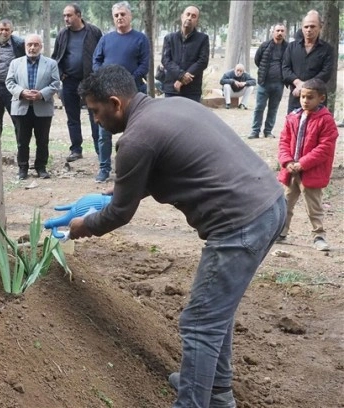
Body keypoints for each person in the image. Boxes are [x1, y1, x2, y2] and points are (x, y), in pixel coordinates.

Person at [71, 65, 285, 408]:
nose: (95, 120)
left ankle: (193, 401)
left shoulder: (136, 139)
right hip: (269, 203)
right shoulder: (171, 105)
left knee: (200, 322)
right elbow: (169, 167)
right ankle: (216, 391)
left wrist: (84, 226)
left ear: (115, 103)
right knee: (217, 312)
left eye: (95, 112)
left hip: (239, 223)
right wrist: (120, 191)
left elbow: (119, 215)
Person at [276, 78, 338, 251]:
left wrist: (302, 163)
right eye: (303, 97)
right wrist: (287, 161)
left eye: (310, 97)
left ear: (321, 98)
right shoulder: (293, 117)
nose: (305, 101)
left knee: (314, 207)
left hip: (311, 172)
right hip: (291, 171)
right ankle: (281, 232)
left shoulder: (326, 121)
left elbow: (325, 148)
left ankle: (318, 235)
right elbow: (284, 141)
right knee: (285, 204)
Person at [91, 0, 149, 183]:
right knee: (104, 134)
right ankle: (104, 169)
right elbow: (96, 61)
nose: (119, 18)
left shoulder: (141, 39)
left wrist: (125, 82)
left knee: (134, 133)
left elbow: (144, 65)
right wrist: (105, 80)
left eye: (123, 14)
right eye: (116, 15)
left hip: (132, 92)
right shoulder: (105, 39)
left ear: (130, 16)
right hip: (107, 94)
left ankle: (130, 170)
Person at [51, 3, 102, 163]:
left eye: (69, 15)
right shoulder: (62, 34)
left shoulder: (94, 32)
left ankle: (99, 150)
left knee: (95, 116)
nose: (66, 18)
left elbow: (102, 53)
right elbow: (56, 57)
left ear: (78, 15)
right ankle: (76, 149)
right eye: (64, 16)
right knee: (72, 117)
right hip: (69, 82)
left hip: (90, 82)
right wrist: (61, 75)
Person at [6, 33, 61, 180]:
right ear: (25, 46)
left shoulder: (51, 64)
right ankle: (22, 168)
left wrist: (41, 94)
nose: (32, 48)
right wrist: (22, 92)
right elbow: (9, 82)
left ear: (41, 47)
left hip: (42, 107)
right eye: (29, 45)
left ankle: (41, 167)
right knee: (22, 141)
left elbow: (56, 83)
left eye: (35, 45)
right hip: (21, 107)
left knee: (42, 141)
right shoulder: (15, 63)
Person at [282, 10, 334, 114]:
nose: (309, 30)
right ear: (302, 28)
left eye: (312, 26)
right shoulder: (292, 47)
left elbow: (326, 72)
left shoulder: (327, 49)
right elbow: (285, 68)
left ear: (320, 27)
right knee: (293, 128)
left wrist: (304, 86)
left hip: (317, 99)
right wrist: (298, 84)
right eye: (306, 27)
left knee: (315, 129)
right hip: (296, 96)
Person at [161, 5, 209, 102]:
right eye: (188, 14)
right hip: (171, 89)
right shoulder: (169, 38)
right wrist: (181, 76)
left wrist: (181, 81)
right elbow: (166, 60)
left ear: (197, 21)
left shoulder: (203, 39)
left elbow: (202, 61)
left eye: (193, 16)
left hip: (192, 91)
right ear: (182, 16)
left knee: (191, 117)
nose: (189, 18)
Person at [248, 23, 287, 139]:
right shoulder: (264, 46)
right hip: (264, 83)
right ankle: (255, 131)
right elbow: (257, 60)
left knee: (273, 108)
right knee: (259, 107)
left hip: (279, 84)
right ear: (273, 32)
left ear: (285, 33)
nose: (279, 33)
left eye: (282, 31)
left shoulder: (288, 48)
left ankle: (268, 131)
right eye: (277, 30)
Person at [0, 19, 25, 134]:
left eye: (7, 30)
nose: (4, 32)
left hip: (12, 89)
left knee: (17, 120)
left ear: (11, 31)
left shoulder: (19, 45)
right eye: (1, 30)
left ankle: (21, 149)